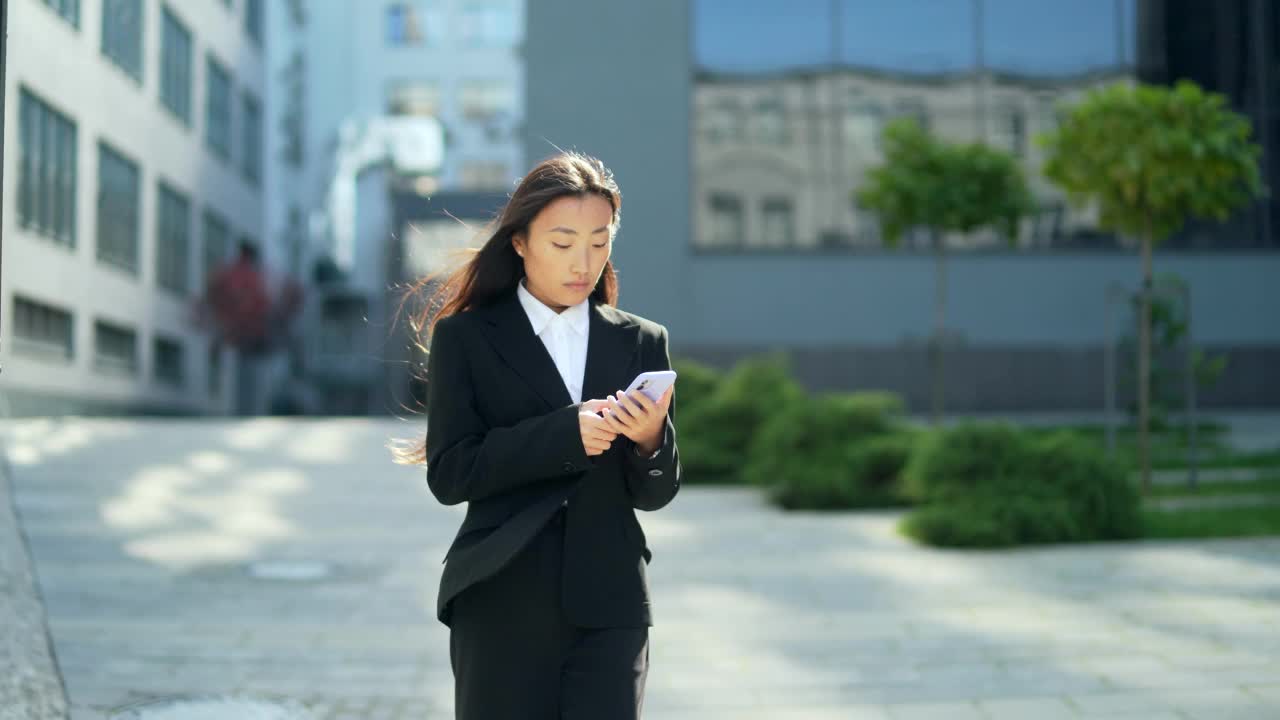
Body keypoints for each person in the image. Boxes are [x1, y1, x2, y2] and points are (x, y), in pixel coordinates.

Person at [392, 151, 681, 718]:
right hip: (501, 597)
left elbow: (656, 491)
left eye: (600, 243)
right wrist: (563, 435)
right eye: (563, 242)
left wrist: (650, 441)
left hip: (611, 601)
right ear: (520, 242)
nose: (584, 262)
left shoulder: (641, 342)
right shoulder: (467, 338)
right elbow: (451, 474)